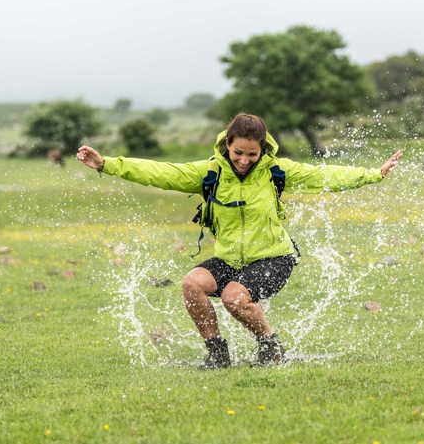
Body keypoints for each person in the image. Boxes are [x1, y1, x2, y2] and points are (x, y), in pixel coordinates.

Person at [77, 113, 402, 369]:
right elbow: (162, 172)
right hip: (231, 257)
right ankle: (217, 354)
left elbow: (325, 175)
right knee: (192, 284)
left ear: (263, 150)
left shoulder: (278, 170)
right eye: (238, 153)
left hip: (274, 256)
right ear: (226, 145)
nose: (244, 160)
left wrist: (374, 174)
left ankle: (270, 346)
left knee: (234, 297)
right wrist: (107, 165)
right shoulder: (210, 173)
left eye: (252, 154)